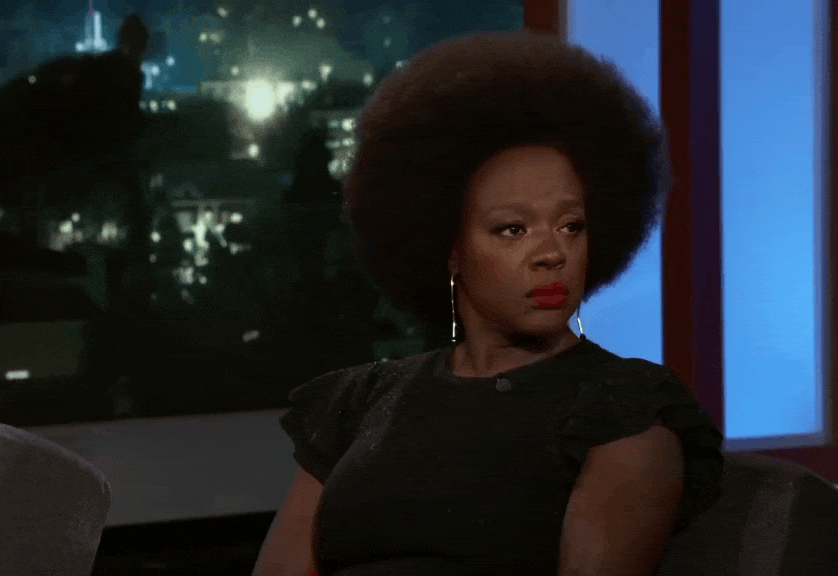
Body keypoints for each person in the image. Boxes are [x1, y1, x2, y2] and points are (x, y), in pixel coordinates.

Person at [254, 31, 725, 576]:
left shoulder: (624, 411)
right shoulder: (360, 402)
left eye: (571, 226)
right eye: (513, 229)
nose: (552, 254)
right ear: (449, 247)